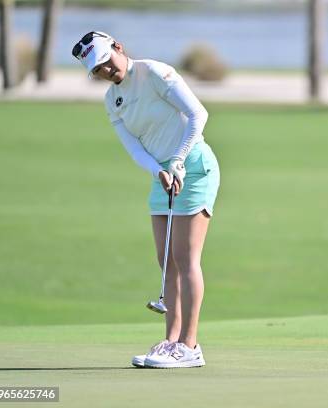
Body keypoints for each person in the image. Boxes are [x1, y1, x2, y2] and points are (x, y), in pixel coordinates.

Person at [72, 31, 220, 368]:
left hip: (194, 166)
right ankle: (170, 341)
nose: (106, 72)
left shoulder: (154, 73)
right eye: (97, 71)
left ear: (118, 48)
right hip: (162, 175)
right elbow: (134, 148)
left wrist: (179, 159)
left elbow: (199, 114)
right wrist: (158, 171)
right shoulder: (112, 101)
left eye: (106, 63)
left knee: (186, 258)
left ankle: (190, 346)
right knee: (165, 259)